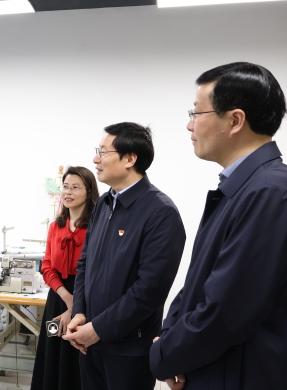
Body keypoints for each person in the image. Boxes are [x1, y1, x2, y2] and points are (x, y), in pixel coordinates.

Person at [149, 62, 287, 390]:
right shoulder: (243, 187)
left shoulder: (268, 193)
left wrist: (164, 354)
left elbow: (225, 312)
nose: (189, 124)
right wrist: (169, 341)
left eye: (196, 113)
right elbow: (198, 283)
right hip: (215, 370)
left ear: (235, 120)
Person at [63, 122, 186, 390]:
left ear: (130, 159)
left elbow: (150, 290)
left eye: (103, 152)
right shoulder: (105, 203)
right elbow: (85, 264)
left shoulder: (160, 212)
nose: (95, 159)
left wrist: (99, 329)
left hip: (129, 350)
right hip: (90, 342)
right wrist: (80, 312)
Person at [31, 166, 100, 390]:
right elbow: (47, 265)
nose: (68, 192)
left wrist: (75, 305)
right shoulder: (55, 226)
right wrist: (66, 298)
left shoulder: (97, 228)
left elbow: (95, 271)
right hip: (57, 299)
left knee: (76, 354)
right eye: (65, 186)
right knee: (52, 348)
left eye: (76, 187)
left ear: (89, 192)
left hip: (85, 301)